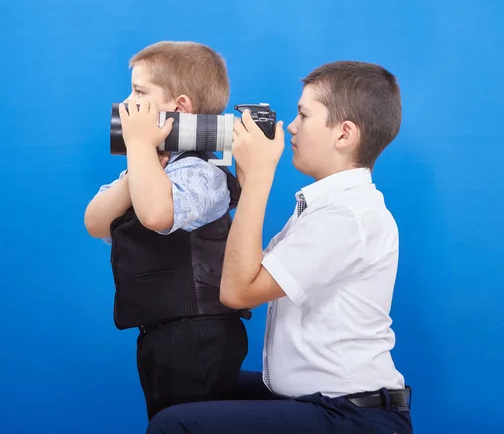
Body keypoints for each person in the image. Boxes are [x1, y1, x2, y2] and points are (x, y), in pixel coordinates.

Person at [146, 61, 413, 433]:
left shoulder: (347, 217)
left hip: (352, 416)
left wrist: (258, 179)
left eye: (303, 114)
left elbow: (239, 291)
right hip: (320, 402)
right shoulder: (325, 209)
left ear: (344, 134)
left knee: (177, 425)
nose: (291, 126)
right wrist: (242, 180)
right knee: (189, 385)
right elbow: (246, 269)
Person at [84, 41, 250, 421]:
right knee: (167, 418)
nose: (126, 104)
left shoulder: (202, 173)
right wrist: (138, 163)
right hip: (160, 333)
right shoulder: (148, 170)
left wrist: (141, 148)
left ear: (180, 107)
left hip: (198, 333)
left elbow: (159, 215)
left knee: (185, 425)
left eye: (139, 93)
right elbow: (96, 222)